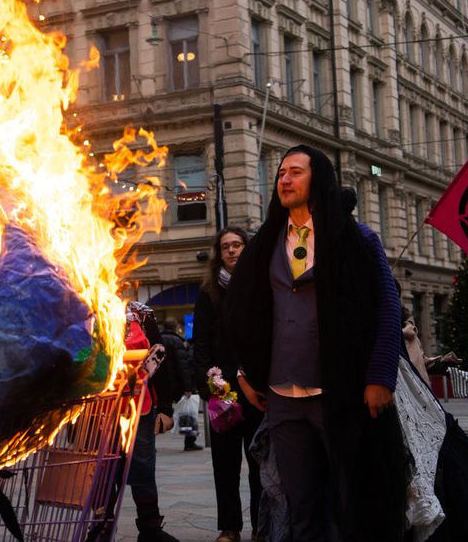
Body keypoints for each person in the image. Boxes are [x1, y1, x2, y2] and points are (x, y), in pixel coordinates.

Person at [226, 145, 407, 540]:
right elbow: (243, 313)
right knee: (300, 505)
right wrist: (245, 372)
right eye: (280, 174)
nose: (285, 180)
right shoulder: (264, 245)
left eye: (295, 172)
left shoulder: (357, 239)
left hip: (340, 395)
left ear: (318, 178)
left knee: (353, 500)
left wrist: (380, 377)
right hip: (282, 398)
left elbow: (387, 308)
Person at [191, 226, 264, 542]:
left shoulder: (262, 288)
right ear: (219, 254)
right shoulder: (208, 293)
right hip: (222, 391)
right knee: (225, 464)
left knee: (260, 463)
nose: (232, 251)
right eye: (226, 247)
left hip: (258, 390)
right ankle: (229, 527)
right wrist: (211, 388)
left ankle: (263, 525)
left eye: (238, 245)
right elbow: (201, 346)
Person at [124, 301, 182, 542]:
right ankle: (99, 525)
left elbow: (160, 363)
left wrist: (166, 409)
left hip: (141, 408)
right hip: (99, 411)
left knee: (143, 468)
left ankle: (150, 527)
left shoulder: (141, 313)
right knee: (102, 471)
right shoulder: (86, 303)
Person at [157, 318, 197, 451]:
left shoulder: (157, 340)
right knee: (188, 412)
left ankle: (152, 443)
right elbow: (182, 366)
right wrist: (187, 387)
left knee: (159, 412)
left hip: (160, 384)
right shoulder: (177, 341)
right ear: (175, 328)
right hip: (175, 384)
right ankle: (189, 442)